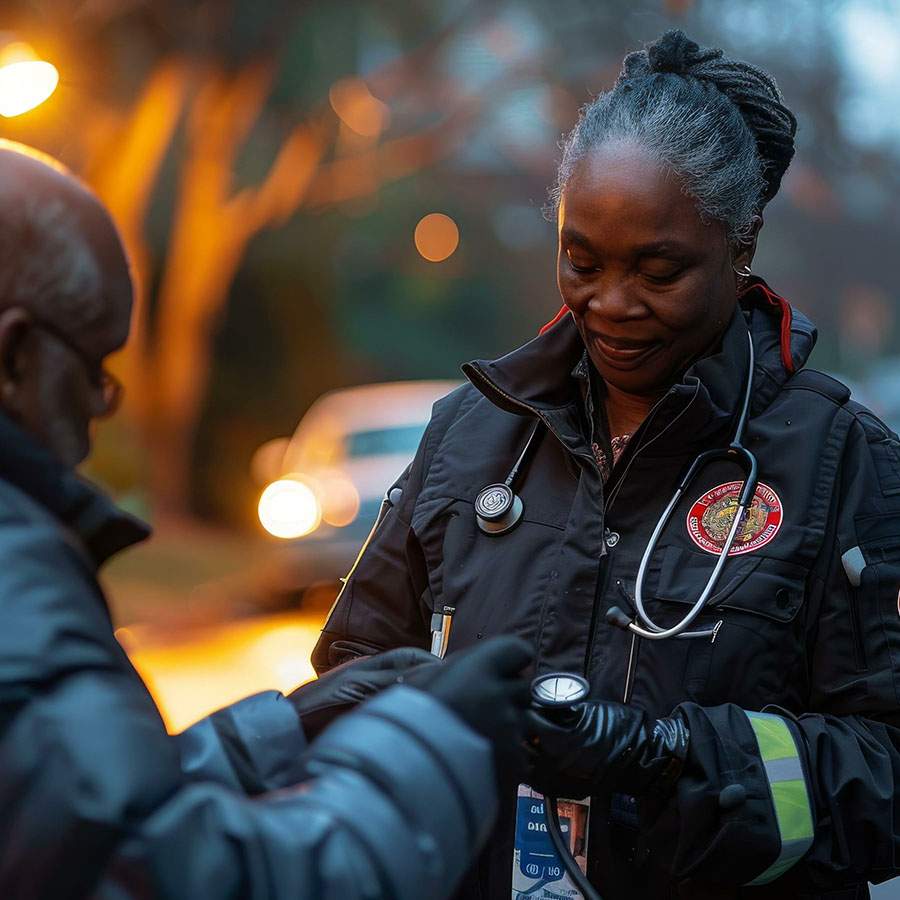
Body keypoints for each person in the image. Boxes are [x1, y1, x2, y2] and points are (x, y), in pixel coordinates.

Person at [313, 30, 900, 900]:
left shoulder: (843, 464)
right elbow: (348, 684)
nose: (612, 303)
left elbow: (886, 774)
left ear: (741, 248)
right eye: (581, 261)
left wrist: (665, 758)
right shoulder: (465, 440)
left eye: (659, 271)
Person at [0, 139, 534, 900]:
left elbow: (72, 822)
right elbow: (179, 880)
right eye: (94, 371)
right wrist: (430, 739)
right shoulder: (14, 578)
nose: (99, 409)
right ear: (15, 353)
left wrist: (282, 733)